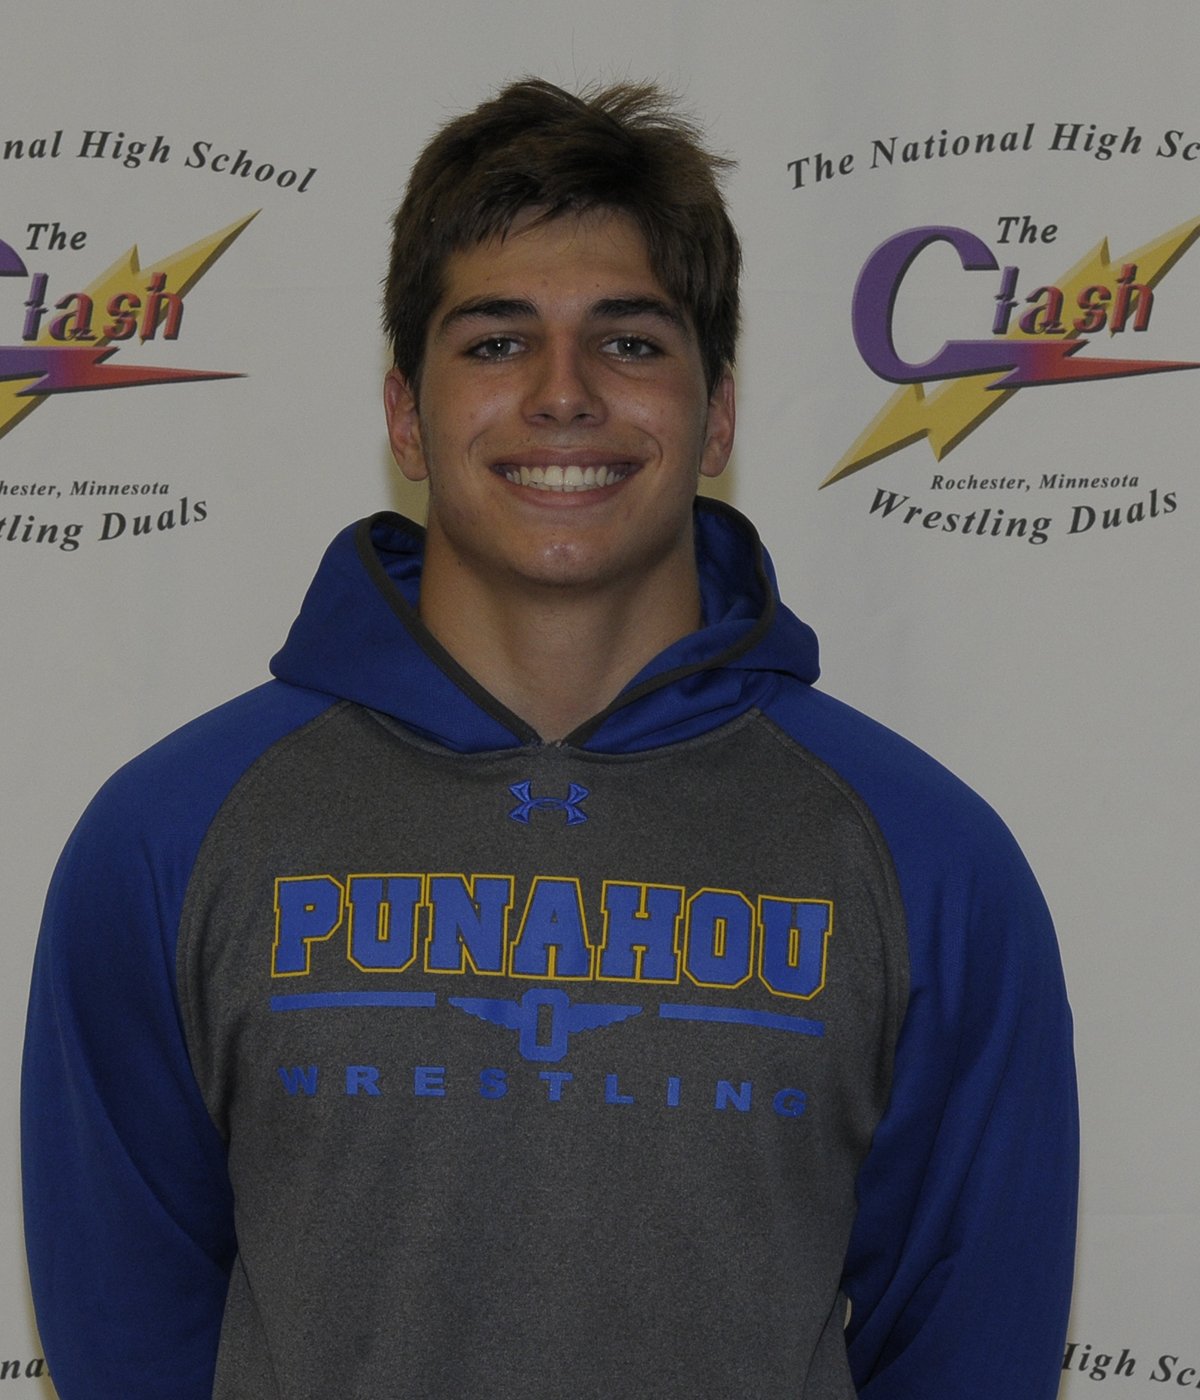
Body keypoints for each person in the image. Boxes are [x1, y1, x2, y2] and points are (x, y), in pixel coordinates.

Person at [21, 79, 1077, 1399]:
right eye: (496, 342)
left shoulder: (928, 863)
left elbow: (968, 1348)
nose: (563, 394)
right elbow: (130, 1335)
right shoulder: (168, 841)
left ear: (719, 412)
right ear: (404, 414)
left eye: (629, 342)